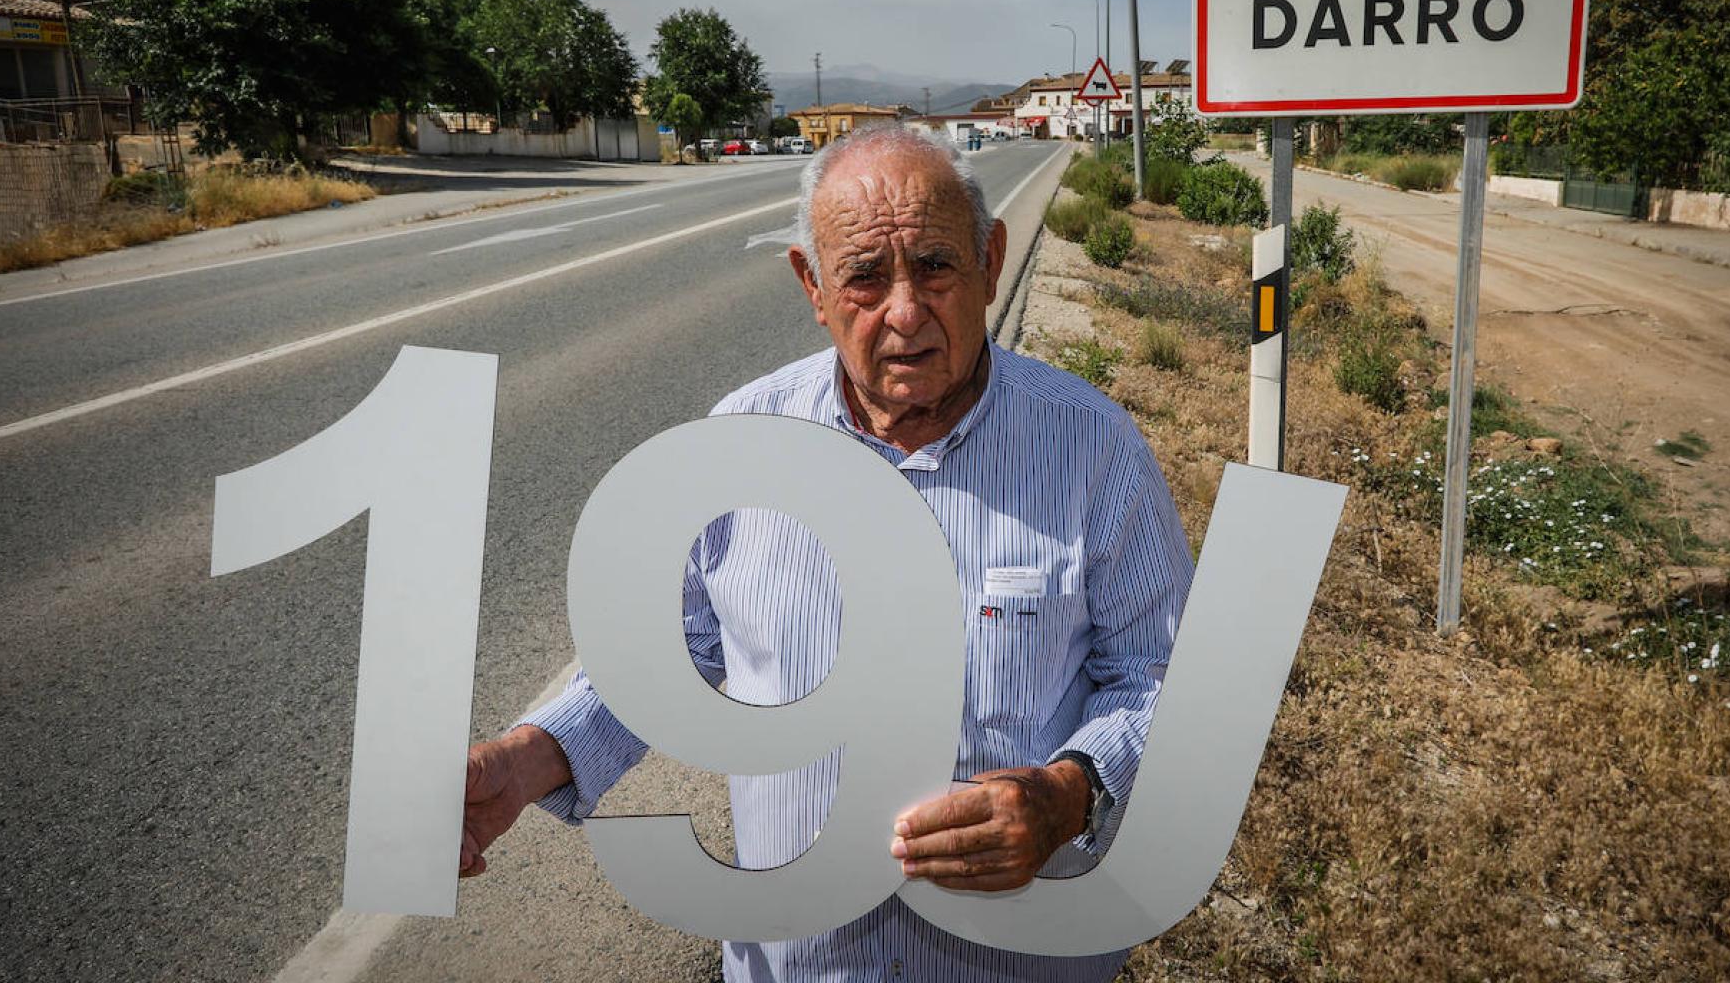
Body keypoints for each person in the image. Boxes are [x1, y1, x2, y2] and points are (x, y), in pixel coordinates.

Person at [459, 125, 1194, 981]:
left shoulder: (1092, 446)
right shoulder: (738, 445)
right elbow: (666, 659)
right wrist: (525, 761)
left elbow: (1161, 677)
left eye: (935, 265)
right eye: (866, 276)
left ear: (993, 261)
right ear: (813, 284)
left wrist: (1067, 795)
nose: (906, 311)